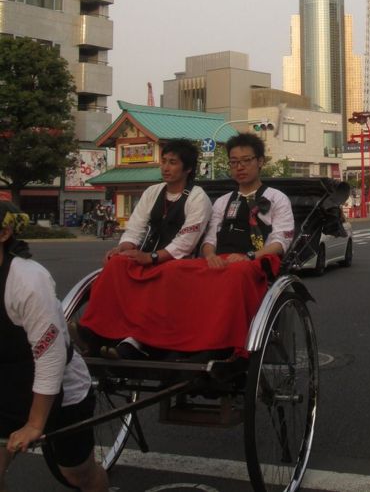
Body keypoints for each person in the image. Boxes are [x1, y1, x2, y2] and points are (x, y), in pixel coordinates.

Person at [0, 202, 109, 492]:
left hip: (60, 391)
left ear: (4, 233)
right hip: (6, 385)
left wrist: (35, 424)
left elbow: (51, 356)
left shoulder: (26, 280)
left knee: (77, 475)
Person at [73, 139, 212, 358]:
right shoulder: (153, 192)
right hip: (147, 254)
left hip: (178, 261)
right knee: (116, 263)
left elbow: (187, 242)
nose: (166, 167)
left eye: (173, 162)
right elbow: (135, 227)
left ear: (188, 168)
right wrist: (124, 248)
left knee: (165, 273)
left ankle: (136, 340)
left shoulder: (197, 197)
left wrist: (152, 257)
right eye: (164, 161)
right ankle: (94, 330)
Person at [202, 132, 294, 269]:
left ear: (260, 161)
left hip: (256, 263)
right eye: (234, 162)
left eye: (246, 160)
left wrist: (249, 257)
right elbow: (210, 238)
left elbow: (280, 242)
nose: (239, 167)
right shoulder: (222, 201)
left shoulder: (277, 198)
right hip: (221, 262)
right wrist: (210, 256)